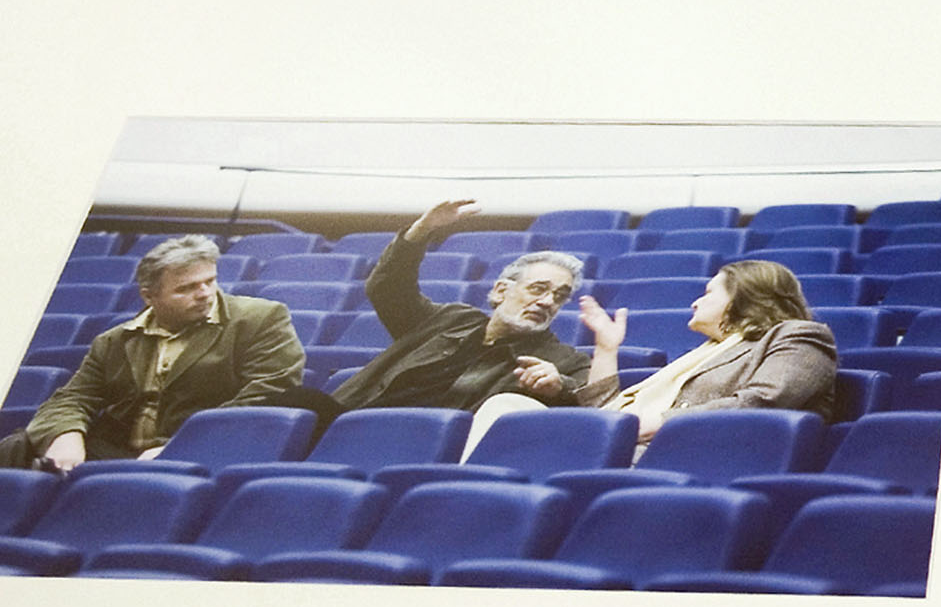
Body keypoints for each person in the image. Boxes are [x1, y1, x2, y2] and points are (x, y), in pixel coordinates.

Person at [0, 235, 304, 473]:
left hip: (201, 450)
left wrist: (182, 444)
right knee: (18, 447)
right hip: (116, 451)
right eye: (186, 288)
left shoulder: (261, 318)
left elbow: (270, 392)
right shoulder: (115, 340)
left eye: (210, 281)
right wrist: (65, 436)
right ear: (149, 296)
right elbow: (72, 398)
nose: (204, 294)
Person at [327, 200, 590, 416]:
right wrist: (420, 231)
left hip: (434, 440)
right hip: (353, 417)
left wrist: (559, 388)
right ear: (501, 291)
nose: (547, 301)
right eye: (537, 288)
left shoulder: (563, 359)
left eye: (559, 296)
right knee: (296, 403)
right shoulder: (448, 319)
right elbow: (387, 289)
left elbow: (592, 404)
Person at [556, 259, 839, 447]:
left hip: (695, 458)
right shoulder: (706, 353)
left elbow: (763, 403)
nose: (694, 303)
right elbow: (605, 411)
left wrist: (659, 424)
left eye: (707, 293)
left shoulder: (799, 335)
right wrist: (606, 349)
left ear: (743, 296)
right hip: (633, 450)